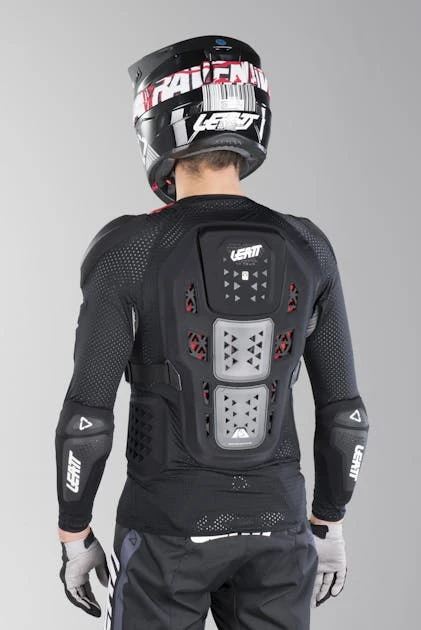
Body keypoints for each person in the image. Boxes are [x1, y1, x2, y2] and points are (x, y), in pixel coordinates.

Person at [55, 35, 369, 630]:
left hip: (168, 528)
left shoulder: (129, 247)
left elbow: (86, 420)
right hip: (279, 527)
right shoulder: (309, 247)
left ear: (157, 121)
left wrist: (75, 531)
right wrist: (328, 521)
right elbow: (346, 416)